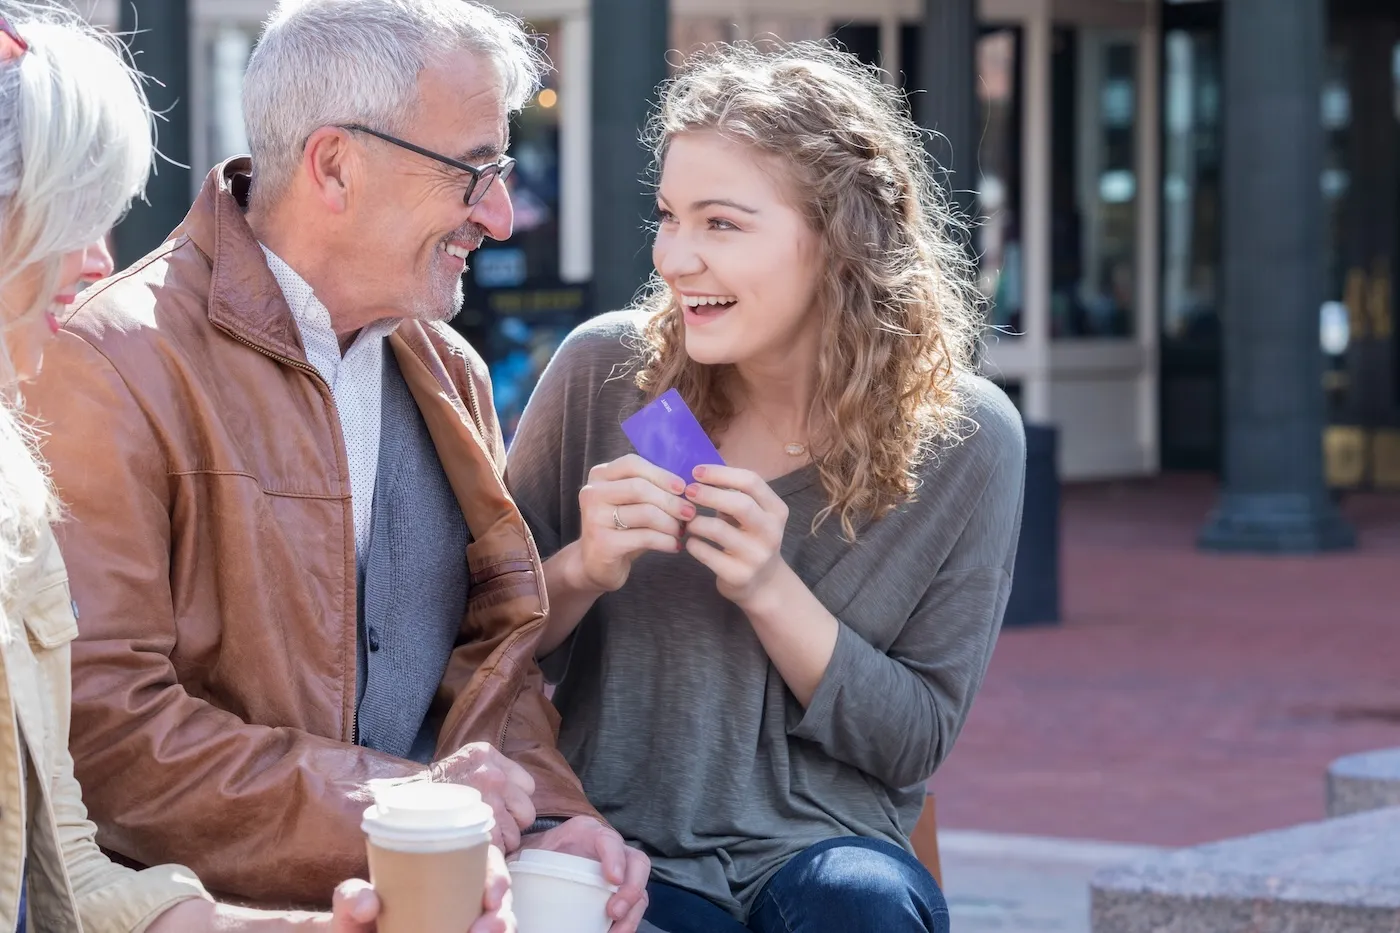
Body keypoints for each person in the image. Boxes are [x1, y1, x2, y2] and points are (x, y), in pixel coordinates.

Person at [22, 0, 647, 927]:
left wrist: (553, 817)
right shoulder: (108, 358)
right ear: (335, 165)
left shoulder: (451, 370)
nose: (505, 216)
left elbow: (488, 671)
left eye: (503, 172)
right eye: (475, 171)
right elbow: (104, 733)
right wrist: (408, 808)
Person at [507, 41, 1026, 933]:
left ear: (836, 238)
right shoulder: (608, 373)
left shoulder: (967, 438)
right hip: (620, 845)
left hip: (824, 848)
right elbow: (483, 647)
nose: (675, 257)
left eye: (721, 223)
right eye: (669, 217)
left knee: (860, 909)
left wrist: (769, 589)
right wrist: (582, 569)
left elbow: (912, 742)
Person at [0, 7, 420, 930]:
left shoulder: (15, 491)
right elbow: (118, 740)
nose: (98, 256)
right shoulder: (108, 361)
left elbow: (65, 866)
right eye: (73, 214)